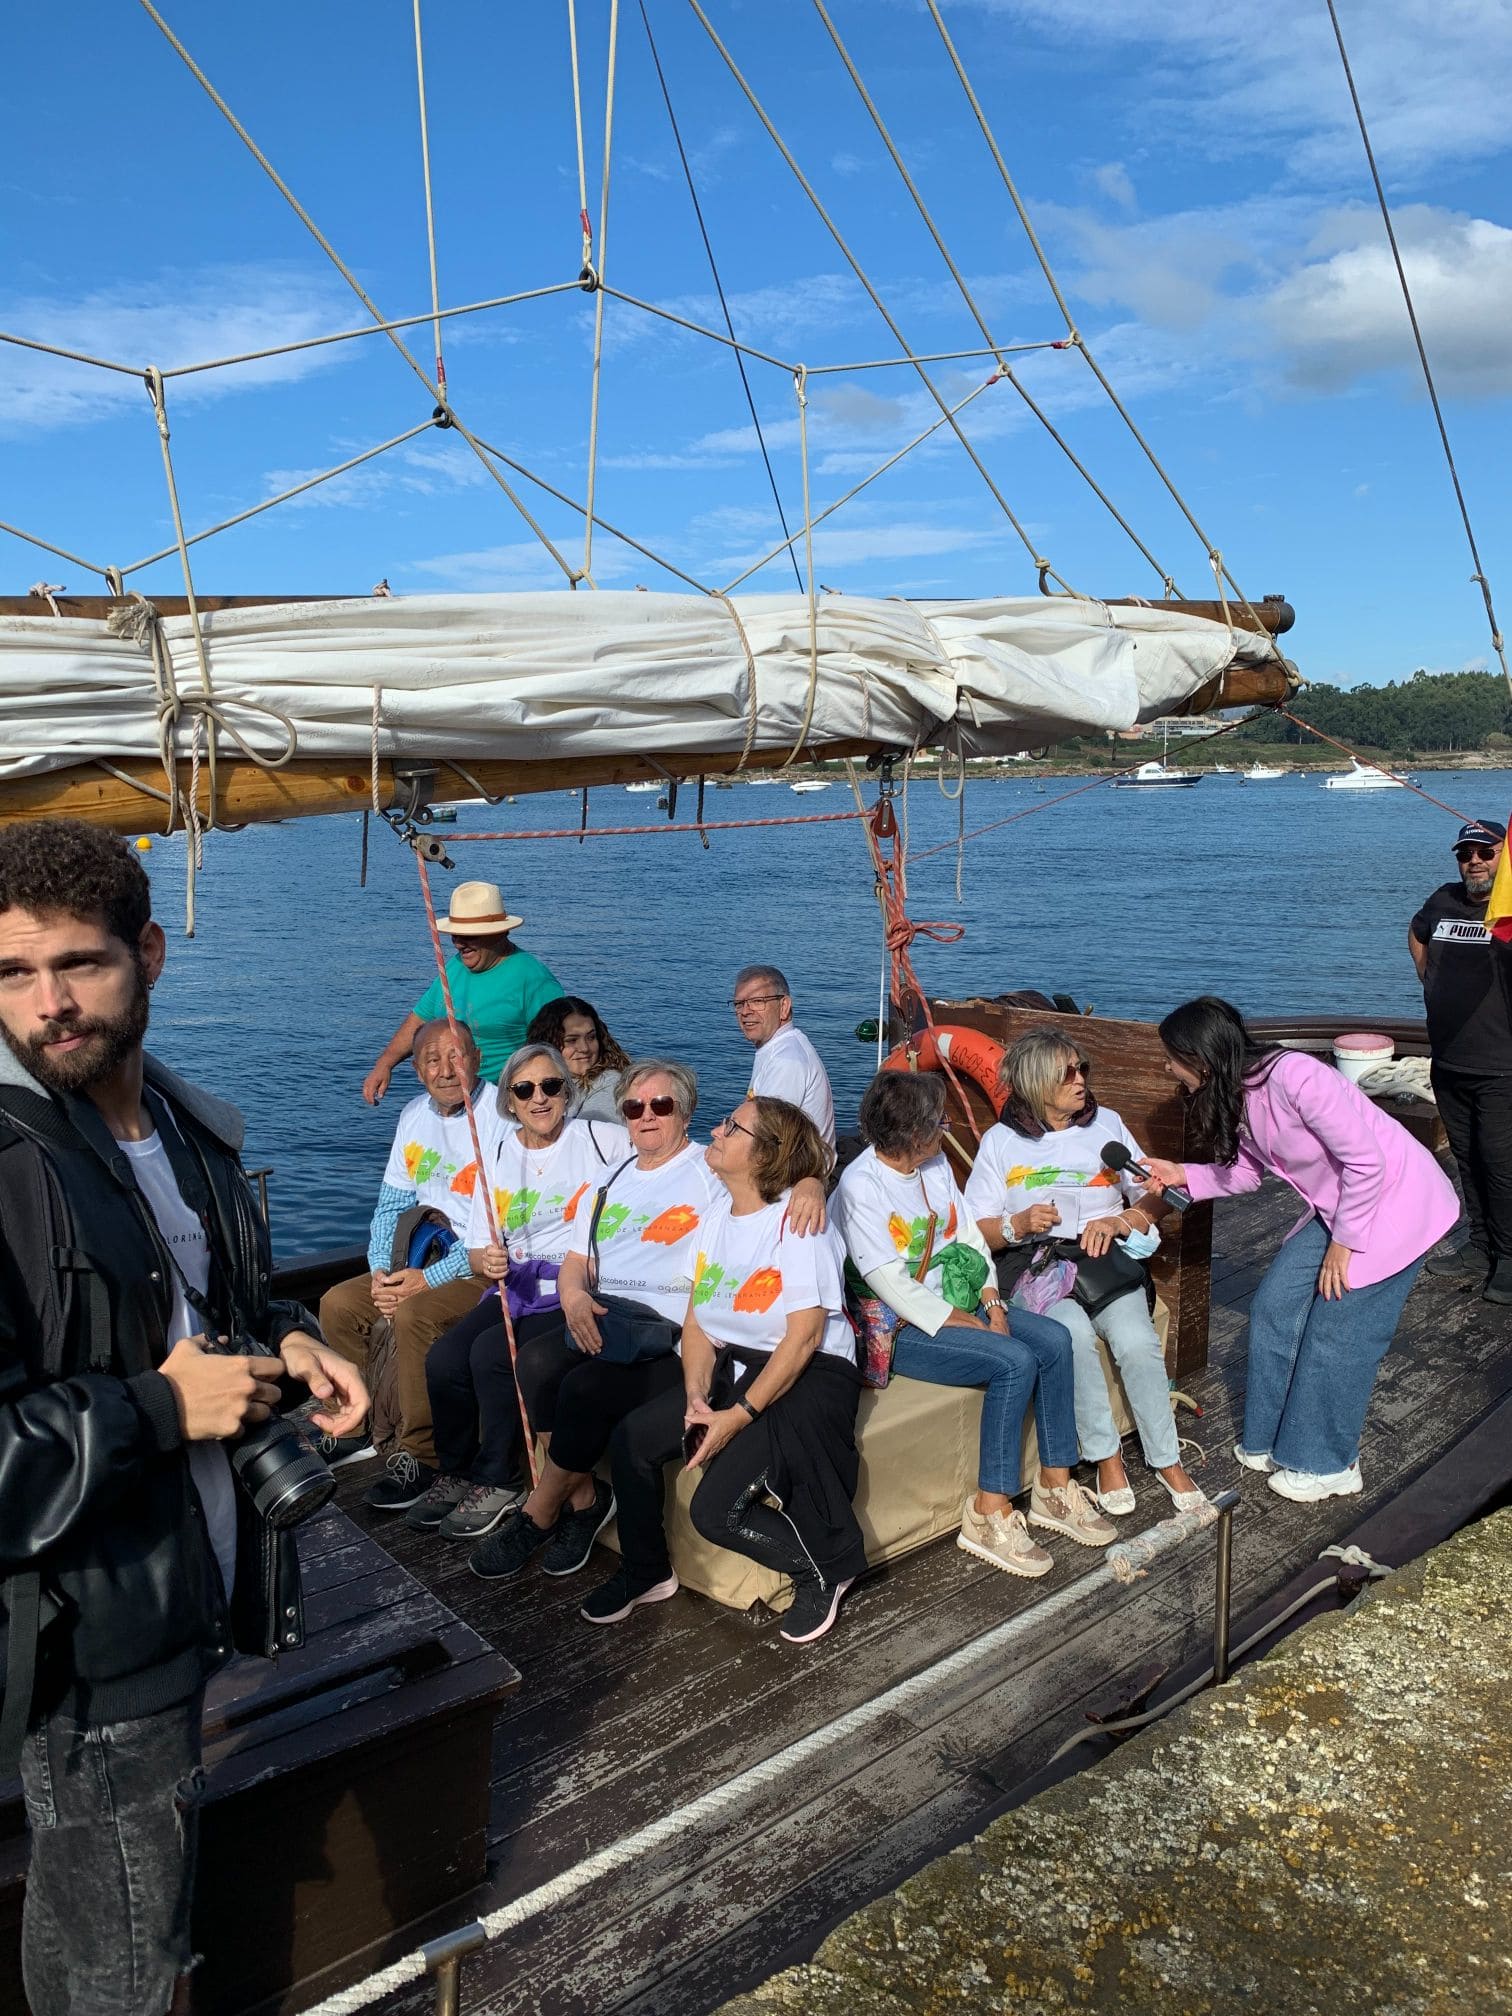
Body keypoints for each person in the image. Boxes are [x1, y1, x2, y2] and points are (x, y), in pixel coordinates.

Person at [0, 819, 367, 2016]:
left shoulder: (186, 1129)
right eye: (13, 972)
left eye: (79, 963)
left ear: (148, 953)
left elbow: (214, 1306)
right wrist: (163, 1406)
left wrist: (290, 1338)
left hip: (196, 1585)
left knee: (107, 1916)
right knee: (122, 1956)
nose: (48, 1004)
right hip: (91, 1647)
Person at [1146, 996, 1458, 1503]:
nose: (1167, 1067)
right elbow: (1246, 1174)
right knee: (1275, 1307)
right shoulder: (1236, 1091)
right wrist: (1182, 1173)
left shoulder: (1296, 1076)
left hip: (1396, 1202)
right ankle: (1274, 1437)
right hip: (1340, 1206)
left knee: (1340, 1333)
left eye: (1171, 1058)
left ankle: (1329, 1464)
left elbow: (1367, 1162)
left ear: (1200, 1058)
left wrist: (1343, 1245)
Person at [581, 1096, 867, 1642]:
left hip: (808, 1372)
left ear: (766, 1154)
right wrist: (695, 1397)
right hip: (734, 1365)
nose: (716, 1130)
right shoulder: (716, 1218)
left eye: (732, 1127)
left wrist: (735, 1417)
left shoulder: (799, 1222)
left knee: (716, 1513)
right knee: (632, 1439)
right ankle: (646, 1570)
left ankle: (825, 1568)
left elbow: (805, 1337)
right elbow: (697, 1325)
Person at [833, 1070, 1115, 1577]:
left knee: (1054, 1340)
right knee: (1013, 1361)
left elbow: (966, 1234)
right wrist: (973, 1324)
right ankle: (988, 1511)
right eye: (938, 1123)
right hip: (902, 1327)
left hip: (963, 1300)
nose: (945, 1129)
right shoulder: (860, 1187)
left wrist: (994, 1302)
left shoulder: (934, 1163)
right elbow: (891, 1285)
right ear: (913, 1135)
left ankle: (1054, 1485)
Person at [466, 1058, 721, 1584]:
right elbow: (576, 1261)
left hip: (668, 1332)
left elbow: (782, 1179)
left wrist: (812, 1184)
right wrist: (574, 1298)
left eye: (660, 1105)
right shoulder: (612, 1177)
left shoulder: (710, 1174)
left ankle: (538, 1514)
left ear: (685, 1113)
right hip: (609, 1316)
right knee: (534, 1362)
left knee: (583, 1389)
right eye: (633, 1107)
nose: (645, 1116)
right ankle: (585, 1499)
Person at [964, 1028, 1206, 1517]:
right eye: (1067, 1073)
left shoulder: (1107, 1125)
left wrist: (1121, 1220)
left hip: (1103, 1261)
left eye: (1083, 1069)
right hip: (1037, 1267)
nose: (1080, 1080)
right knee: (1071, 1338)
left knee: (1137, 1342)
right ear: (1035, 1083)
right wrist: (1017, 1224)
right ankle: (1106, 1457)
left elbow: (1154, 1196)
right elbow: (976, 1231)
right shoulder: (1000, 1142)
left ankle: (1167, 1458)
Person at [409, 1043, 630, 1539]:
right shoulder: (498, 1153)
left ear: (567, 1091)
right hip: (515, 1286)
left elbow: (662, 1159)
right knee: (444, 1358)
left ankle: (499, 1479)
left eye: (551, 1086)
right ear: (509, 1100)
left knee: (492, 1354)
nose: (539, 1098)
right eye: (525, 1089)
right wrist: (484, 1260)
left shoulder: (601, 1140)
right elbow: (477, 1245)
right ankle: (457, 1469)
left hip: (573, 1284)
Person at [320, 1018, 501, 1509]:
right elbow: (391, 1204)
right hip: (419, 1257)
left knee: (415, 1314)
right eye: (431, 1060)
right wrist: (382, 1272)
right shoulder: (414, 1115)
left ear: (477, 1059)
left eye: (456, 1056)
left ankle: (422, 1453)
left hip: (478, 1266)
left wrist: (426, 1280)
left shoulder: (500, 1118)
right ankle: (354, 1423)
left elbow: (497, 1231)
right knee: (338, 1304)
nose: (446, 1070)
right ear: (417, 1071)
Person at [1409, 819, 1512, 1299]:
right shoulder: (1444, 899)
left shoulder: (1508, 910)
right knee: (1468, 1159)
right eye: (1465, 854)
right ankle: (1480, 1244)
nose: (1474, 861)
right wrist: (1428, 977)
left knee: (1501, 1164)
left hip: (1501, 1066)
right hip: (1449, 1060)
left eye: (1485, 853)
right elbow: (1417, 930)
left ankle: (1509, 1257)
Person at [362, 880, 563, 1102]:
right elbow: (420, 1019)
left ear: (501, 932)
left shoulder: (534, 979)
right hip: (454, 1100)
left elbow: (559, 1050)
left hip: (507, 1103)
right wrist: (385, 1063)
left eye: (469, 935)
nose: (458, 943)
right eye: (455, 935)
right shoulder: (454, 966)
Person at [731, 963, 835, 1149]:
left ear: (784, 1006)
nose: (745, 1011)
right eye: (739, 1004)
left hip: (794, 1167)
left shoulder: (786, 1061)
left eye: (758, 1001)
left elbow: (768, 1141)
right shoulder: (780, 1048)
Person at [525, 994, 631, 1123]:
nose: (584, 1048)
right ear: (548, 1044)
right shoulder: (531, 1083)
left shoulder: (609, 1083)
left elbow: (590, 1134)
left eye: (591, 1037)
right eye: (572, 1040)